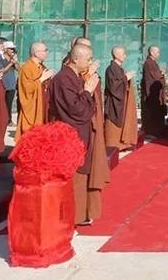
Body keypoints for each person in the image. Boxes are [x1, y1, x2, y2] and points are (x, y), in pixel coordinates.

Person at [49, 44, 109, 226]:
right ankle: (71, 217)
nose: (90, 63)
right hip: (71, 136)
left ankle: (81, 214)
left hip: (81, 134)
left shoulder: (74, 76)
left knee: (82, 176)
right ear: (75, 59)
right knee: (74, 177)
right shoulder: (63, 79)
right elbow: (76, 110)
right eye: (88, 59)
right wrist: (88, 91)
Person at [16, 42, 54, 141]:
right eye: (45, 50)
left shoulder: (41, 66)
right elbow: (27, 89)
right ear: (36, 53)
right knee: (31, 137)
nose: (47, 53)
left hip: (42, 105)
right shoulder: (27, 68)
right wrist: (41, 79)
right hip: (32, 108)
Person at [104, 46, 138, 151]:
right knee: (113, 123)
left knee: (123, 120)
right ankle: (113, 144)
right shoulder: (111, 69)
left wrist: (125, 78)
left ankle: (122, 144)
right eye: (123, 53)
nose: (125, 56)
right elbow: (114, 86)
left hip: (121, 101)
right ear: (116, 55)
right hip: (114, 102)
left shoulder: (119, 68)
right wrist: (126, 78)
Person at [140, 46, 166, 138]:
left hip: (155, 93)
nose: (159, 54)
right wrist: (161, 74)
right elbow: (154, 77)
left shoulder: (153, 63)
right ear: (151, 52)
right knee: (152, 113)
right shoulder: (148, 63)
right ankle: (152, 131)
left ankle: (157, 130)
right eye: (157, 52)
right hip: (152, 95)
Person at [0, 43, 19, 126]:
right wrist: (10, 63)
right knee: (2, 104)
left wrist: (15, 62)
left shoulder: (12, 59)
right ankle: (3, 120)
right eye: (10, 49)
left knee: (9, 103)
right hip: (3, 84)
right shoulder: (0, 58)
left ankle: (9, 120)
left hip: (11, 85)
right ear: (5, 49)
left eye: (13, 49)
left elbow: (18, 69)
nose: (12, 50)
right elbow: (1, 70)